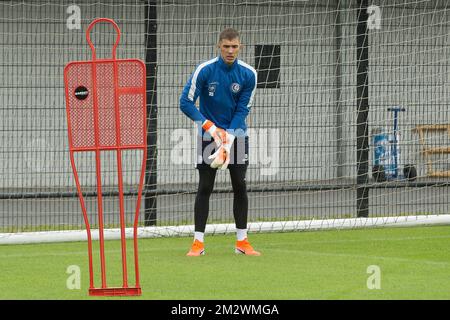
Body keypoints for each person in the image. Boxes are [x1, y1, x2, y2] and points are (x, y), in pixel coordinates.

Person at [179, 28, 260, 256]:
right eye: (226, 46)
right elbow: (185, 103)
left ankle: (242, 242)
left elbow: (243, 108)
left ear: (240, 47)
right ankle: (198, 244)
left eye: (234, 46)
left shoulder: (249, 74)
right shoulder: (204, 70)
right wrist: (211, 129)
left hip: (237, 136)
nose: (230, 51)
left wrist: (228, 138)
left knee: (240, 186)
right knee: (205, 186)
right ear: (219, 46)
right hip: (209, 136)